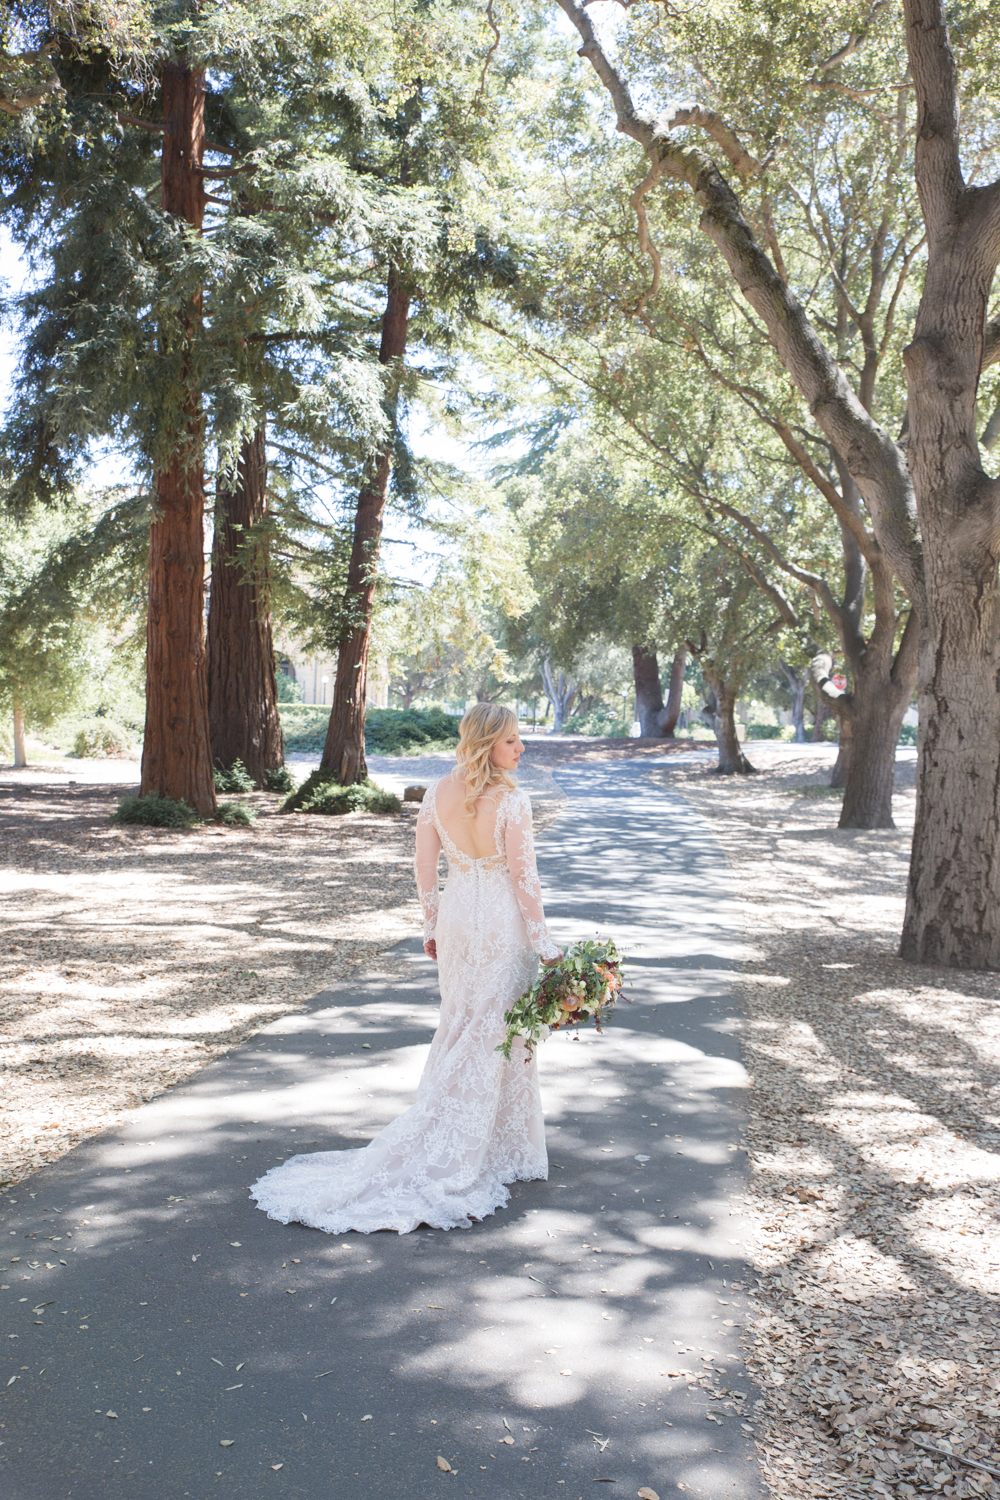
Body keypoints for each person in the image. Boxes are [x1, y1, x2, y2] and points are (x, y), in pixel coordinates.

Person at [250, 703, 562, 1235]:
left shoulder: (437, 793)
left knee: (465, 1022)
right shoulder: (513, 801)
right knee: (499, 1029)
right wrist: (545, 943)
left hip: (460, 920)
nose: (521, 749)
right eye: (512, 741)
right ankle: (482, 1147)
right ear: (488, 743)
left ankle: (474, 1135)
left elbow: (424, 867)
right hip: (502, 927)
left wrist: (432, 925)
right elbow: (523, 879)